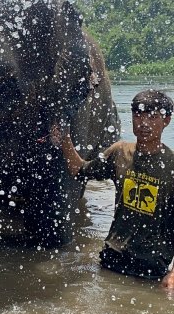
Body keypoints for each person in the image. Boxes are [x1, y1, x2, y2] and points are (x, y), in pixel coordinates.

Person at [56, 89, 174, 289]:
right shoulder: (119, 152)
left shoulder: (171, 167)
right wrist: (64, 138)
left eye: (153, 117)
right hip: (112, 258)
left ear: (166, 121)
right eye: (138, 115)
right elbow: (80, 171)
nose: (144, 123)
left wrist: (172, 274)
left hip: (151, 267)